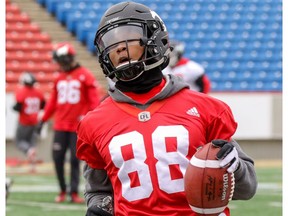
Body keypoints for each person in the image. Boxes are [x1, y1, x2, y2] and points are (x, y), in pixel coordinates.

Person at [76, 2, 257, 216]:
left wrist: (234, 169)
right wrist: (99, 206)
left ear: (154, 40)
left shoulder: (205, 109)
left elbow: (247, 189)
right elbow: (98, 191)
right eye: (110, 42)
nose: (119, 47)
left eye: (128, 36)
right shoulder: (94, 122)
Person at [37, 42, 101, 203]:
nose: (58, 63)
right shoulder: (59, 77)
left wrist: (93, 120)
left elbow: (94, 102)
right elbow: (52, 102)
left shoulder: (85, 75)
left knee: (74, 159)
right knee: (57, 159)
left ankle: (73, 192)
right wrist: (43, 120)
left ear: (66, 58)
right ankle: (62, 190)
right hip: (60, 125)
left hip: (77, 127)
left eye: (59, 60)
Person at [13, 72, 46, 172]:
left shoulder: (21, 92)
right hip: (35, 121)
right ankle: (32, 166)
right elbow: (43, 105)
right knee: (32, 143)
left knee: (19, 142)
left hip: (24, 122)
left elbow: (17, 107)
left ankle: (29, 151)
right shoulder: (39, 92)